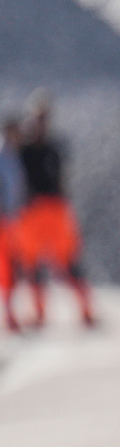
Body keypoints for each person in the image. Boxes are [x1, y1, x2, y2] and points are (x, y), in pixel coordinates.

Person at [14, 91, 97, 329]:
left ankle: (86, 310)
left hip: (56, 209)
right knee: (32, 266)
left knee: (69, 263)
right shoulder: (24, 150)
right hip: (31, 212)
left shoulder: (55, 147)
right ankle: (39, 313)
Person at [0, 117, 23, 332]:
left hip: (11, 220)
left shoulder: (15, 155)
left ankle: (10, 314)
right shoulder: (2, 156)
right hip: (4, 219)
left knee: (10, 271)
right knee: (6, 269)